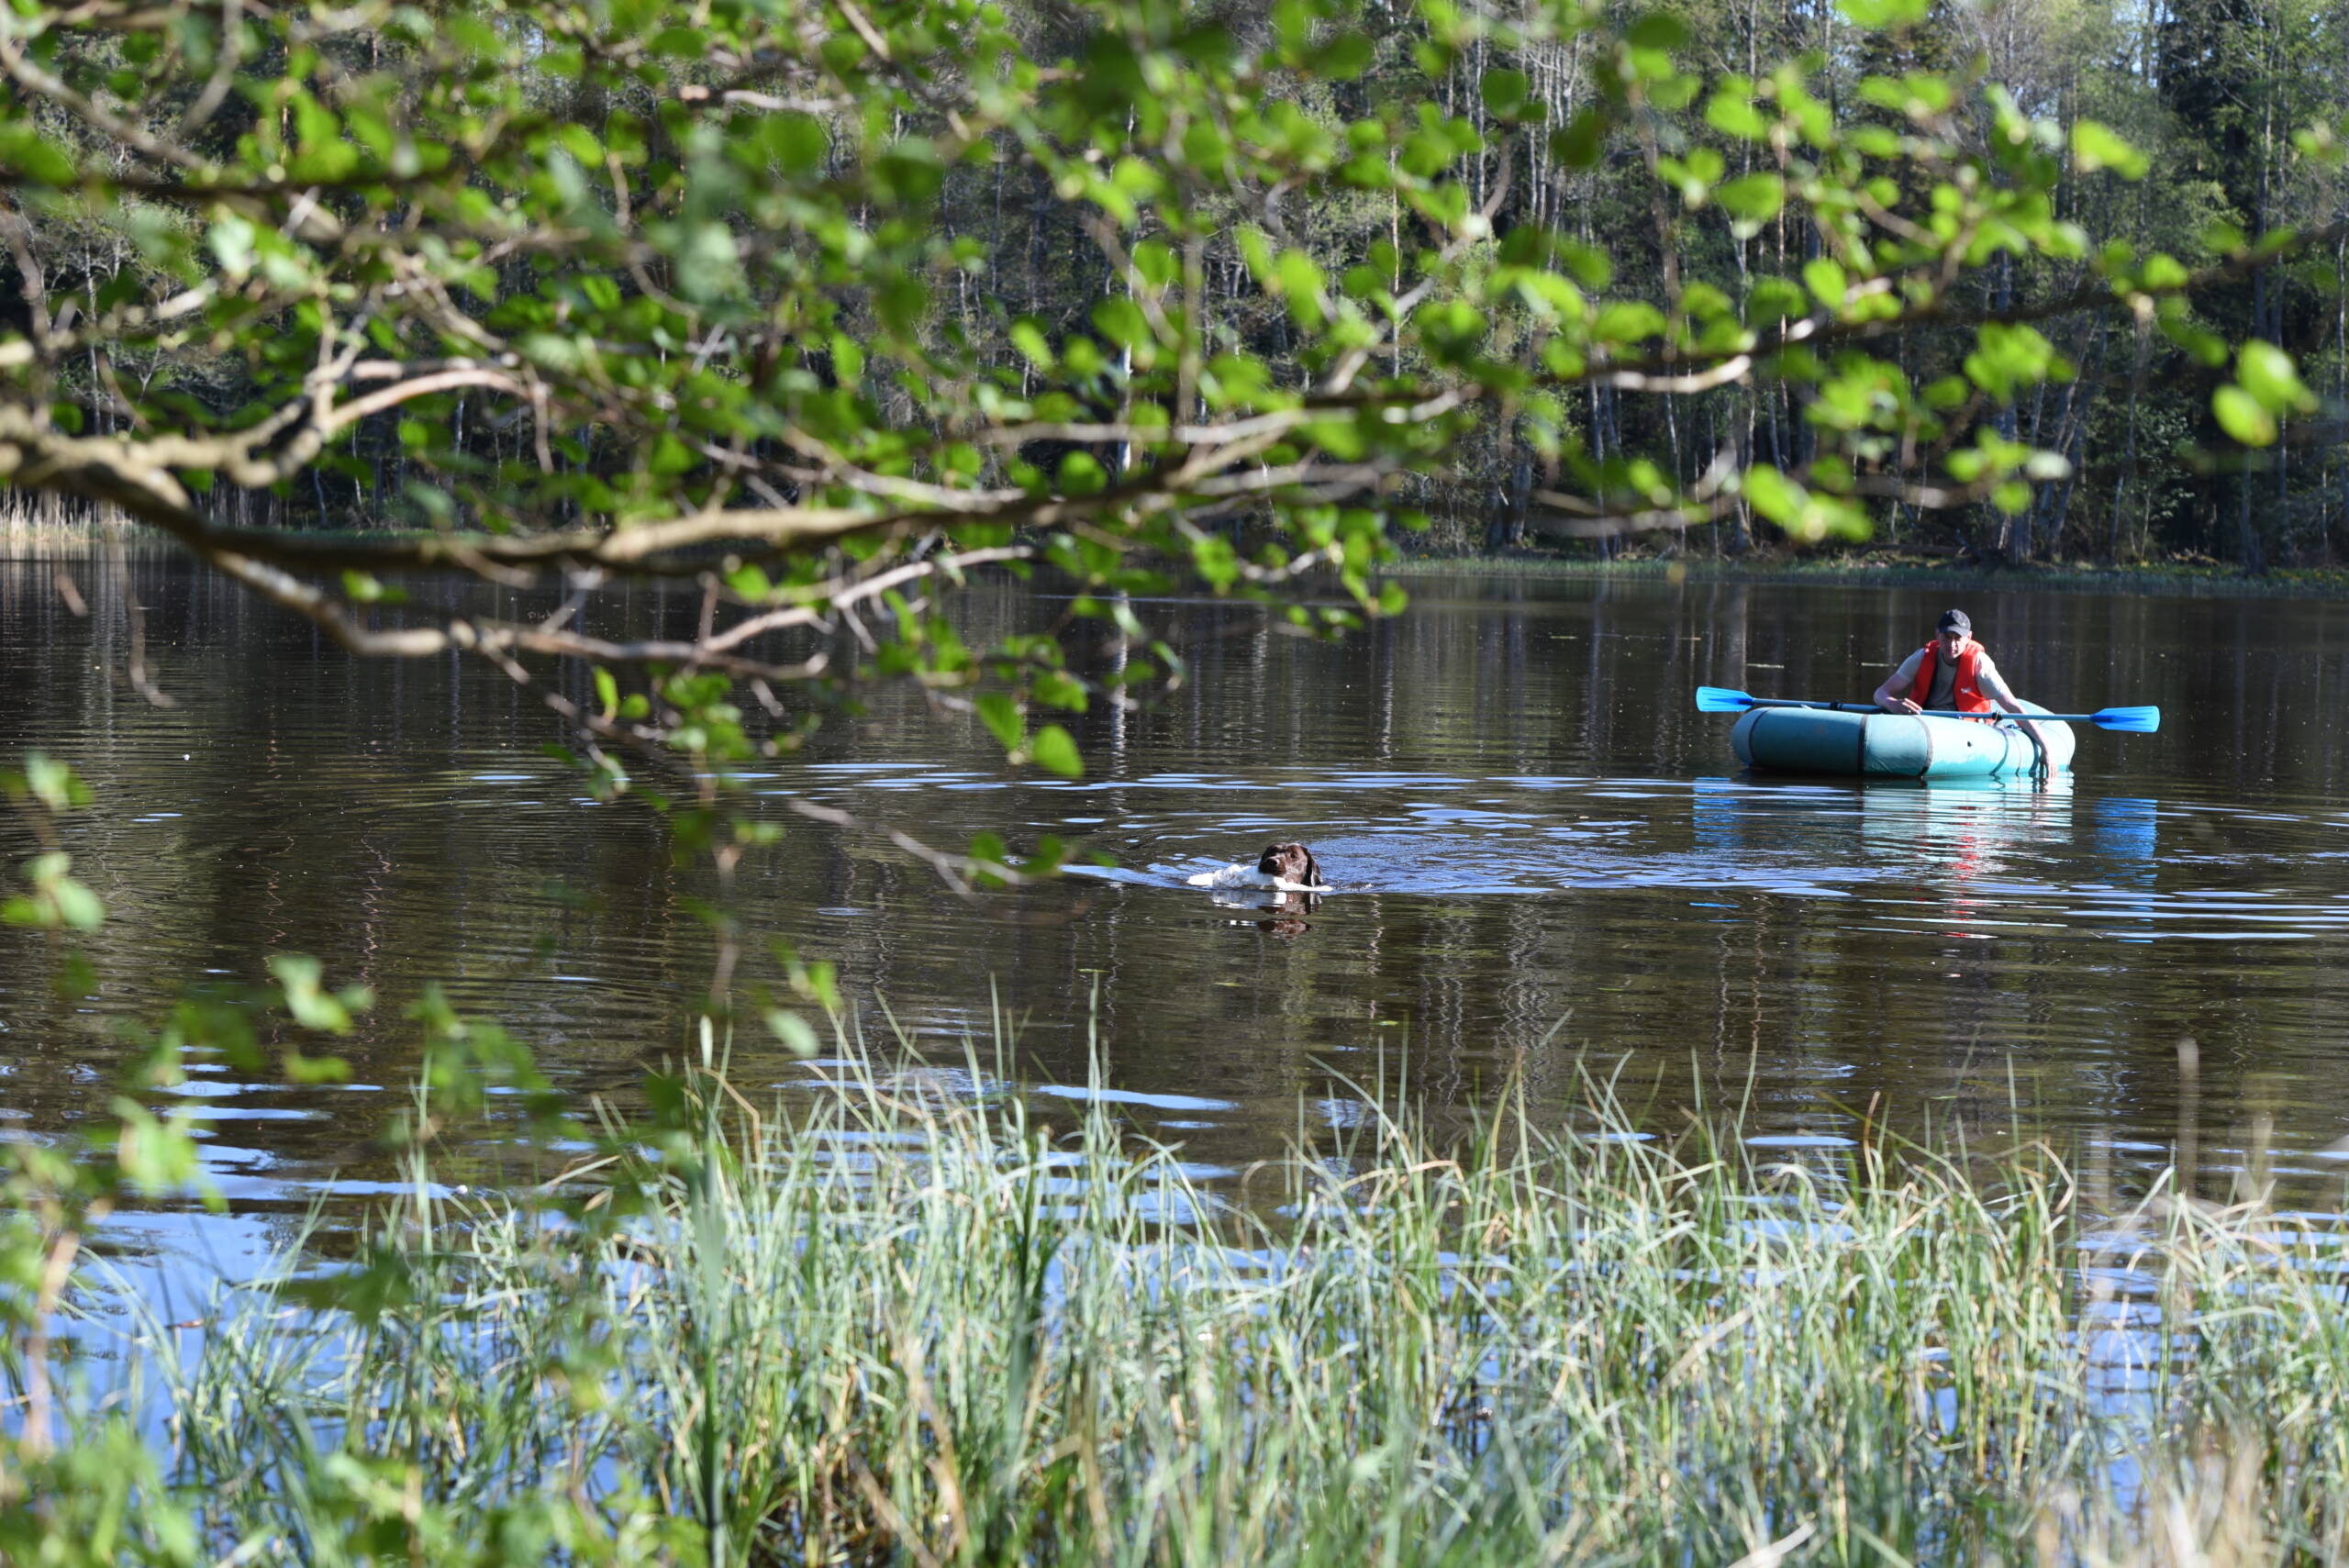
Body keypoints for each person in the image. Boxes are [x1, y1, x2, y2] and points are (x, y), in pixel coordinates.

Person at [1873, 608, 2050, 762]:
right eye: (1946, 637)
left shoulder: (1980, 665)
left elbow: (2013, 707)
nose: (1952, 644)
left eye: (1957, 638)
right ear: (1937, 635)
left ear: (1968, 638)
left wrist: (2046, 749)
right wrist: (1892, 704)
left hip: (1967, 730)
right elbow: (1880, 693)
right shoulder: (1921, 657)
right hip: (1925, 725)